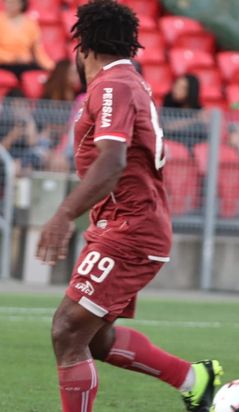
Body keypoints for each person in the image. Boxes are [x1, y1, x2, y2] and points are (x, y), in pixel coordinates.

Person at [37, 2, 222, 411]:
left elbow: (112, 160)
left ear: (82, 46)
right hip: (123, 224)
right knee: (94, 338)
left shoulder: (112, 86)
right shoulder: (127, 80)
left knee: (67, 330)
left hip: (130, 228)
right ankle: (194, 379)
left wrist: (63, 214)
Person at [0, 0, 54, 79]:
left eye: (13, 2)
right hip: (4, 63)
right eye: (7, 2)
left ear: (22, 4)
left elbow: (38, 50)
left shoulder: (30, 23)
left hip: (24, 63)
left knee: (44, 75)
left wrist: (52, 67)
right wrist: (13, 58)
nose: (9, 5)